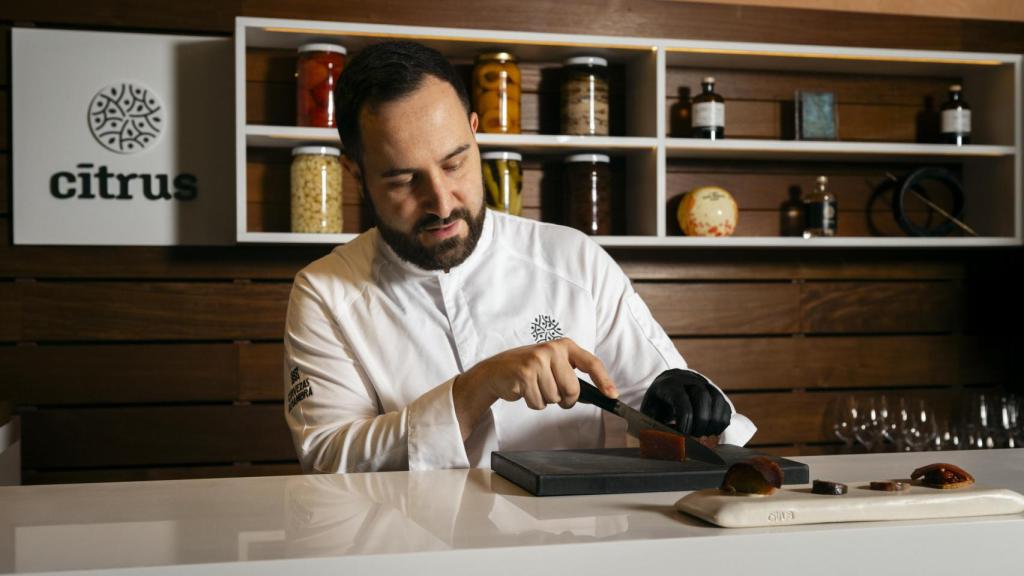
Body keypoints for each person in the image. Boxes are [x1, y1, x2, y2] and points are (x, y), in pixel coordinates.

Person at [283, 40, 756, 473]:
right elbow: (328, 459)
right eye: (403, 180)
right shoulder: (325, 291)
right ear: (354, 171)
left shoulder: (572, 259)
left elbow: (666, 410)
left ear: (475, 133)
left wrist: (682, 400)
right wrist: (476, 388)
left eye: (455, 162)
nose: (443, 202)